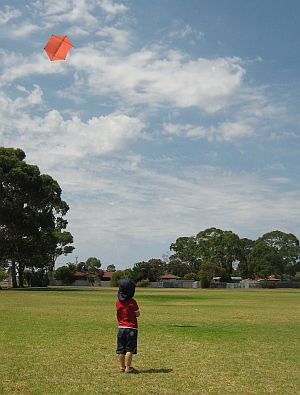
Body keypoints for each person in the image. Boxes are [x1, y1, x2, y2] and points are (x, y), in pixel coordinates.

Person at [116, 278, 140, 373]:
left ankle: (121, 366)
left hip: (121, 328)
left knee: (121, 349)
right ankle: (128, 367)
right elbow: (137, 314)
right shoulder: (132, 302)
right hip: (131, 328)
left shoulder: (118, 302)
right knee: (130, 349)